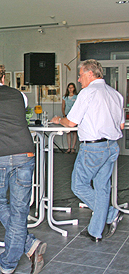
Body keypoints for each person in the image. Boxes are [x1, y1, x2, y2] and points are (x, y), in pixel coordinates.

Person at [0, 62, 46, 274]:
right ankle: (23, 249)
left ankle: (19, 255)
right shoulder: (20, 96)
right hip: (25, 152)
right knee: (20, 208)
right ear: (4, 78)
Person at [51, 59, 125, 242]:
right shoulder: (116, 94)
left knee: (78, 185)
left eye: (81, 74)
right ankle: (95, 231)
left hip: (93, 148)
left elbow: (71, 122)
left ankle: (110, 213)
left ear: (91, 74)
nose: (78, 78)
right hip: (112, 146)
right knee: (102, 187)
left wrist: (57, 120)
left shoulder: (88, 92)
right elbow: (121, 124)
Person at [61, 83, 78, 153]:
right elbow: (63, 106)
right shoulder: (65, 97)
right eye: (69, 87)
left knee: (74, 132)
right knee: (68, 132)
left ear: (74, 88)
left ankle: (73, 147)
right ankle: (69, 147)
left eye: (72, 87)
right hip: (67, 115)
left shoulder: (76, 97)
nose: (70, 89)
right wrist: (64, 114)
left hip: (74, 116)